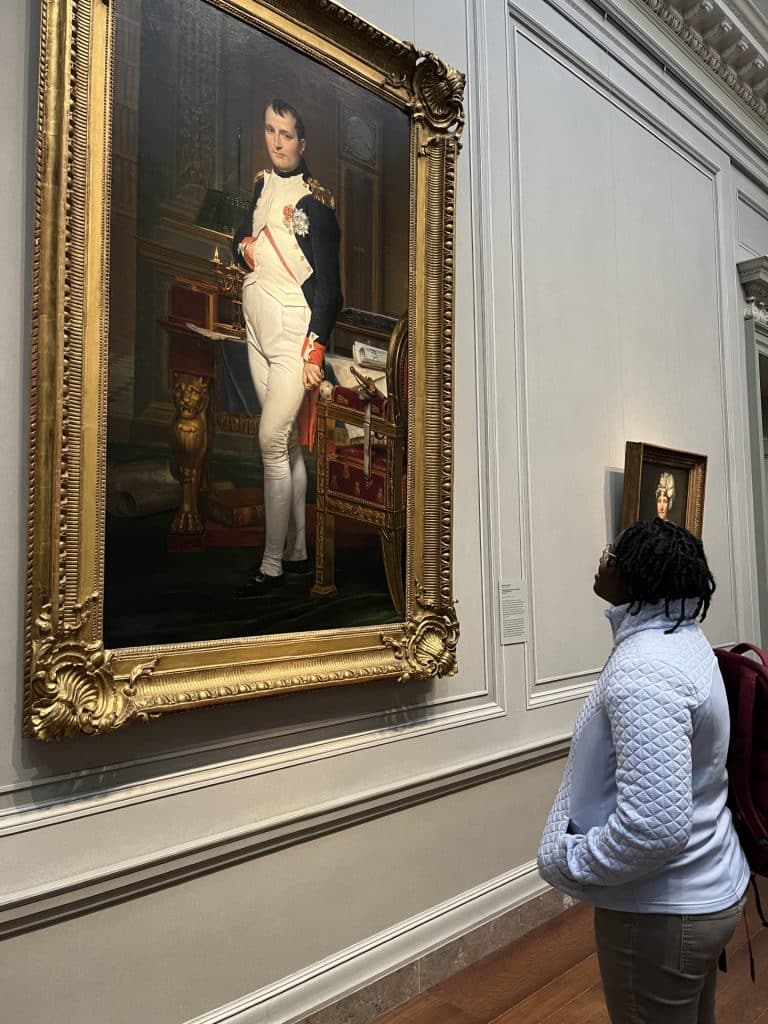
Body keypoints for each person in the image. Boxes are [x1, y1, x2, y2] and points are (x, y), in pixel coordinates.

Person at [538, 519, 749, 1024]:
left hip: (661, 911)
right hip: (704, 883)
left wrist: (576, 862)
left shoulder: (646, 669)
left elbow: (654, 826)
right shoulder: (682, 640)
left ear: (636, 575)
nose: (602, 556)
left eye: (614, 550)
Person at [232, 99, 343, 594]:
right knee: (288, 449)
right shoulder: (259, 183)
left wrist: (313, 351)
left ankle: (272, 564)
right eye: (269, 130)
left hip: (291, 332)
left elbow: (331, 291)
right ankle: (298, 550)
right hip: (254, 325)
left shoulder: (316, 205)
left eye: (286, 134)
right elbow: (244, 233)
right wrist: (243, 247)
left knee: (271, 442)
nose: (276, 141)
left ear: (303, 143)